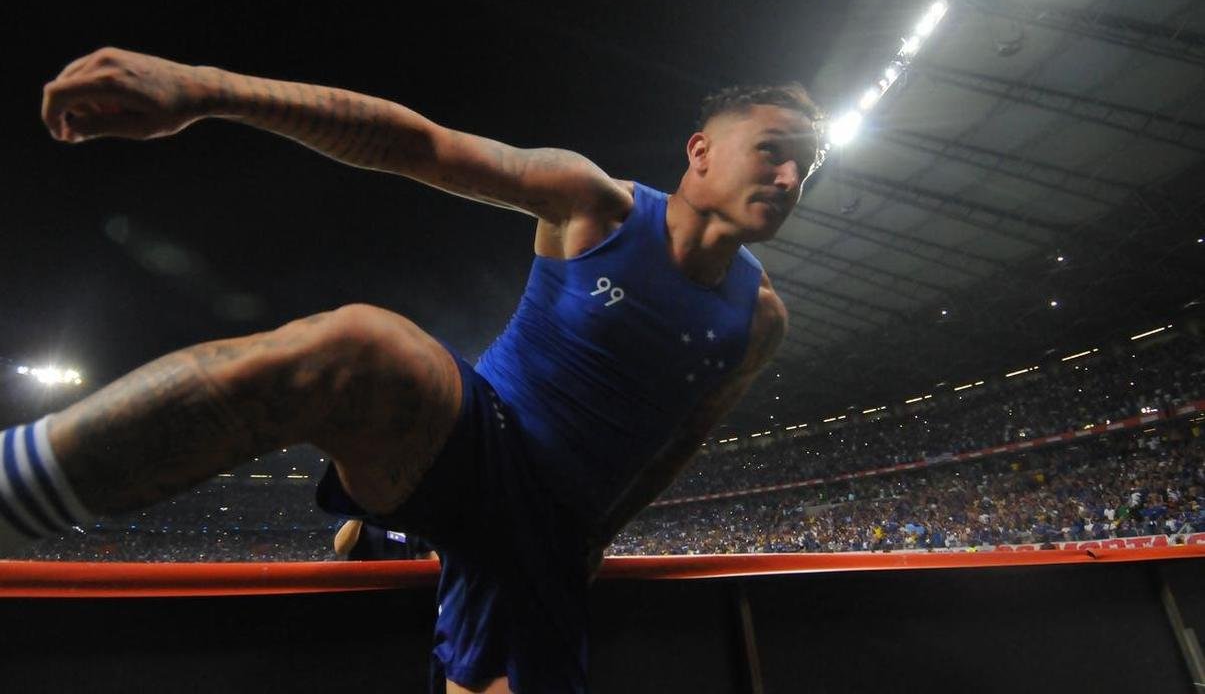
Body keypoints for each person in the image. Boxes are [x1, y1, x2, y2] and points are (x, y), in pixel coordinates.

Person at [5, 45, 823, 693]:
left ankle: (386, 542)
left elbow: (677, 446)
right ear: (701, 151)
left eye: (805, 165)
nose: (788, 178)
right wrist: (207, 88)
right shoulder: (593, 203)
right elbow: (418, 144)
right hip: (475, 442)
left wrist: (591, 541)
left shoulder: (759, 321)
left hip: (549, 532)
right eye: (773, 151)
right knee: (362, 346)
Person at [333, 518, 437, 561]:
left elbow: (429, 554)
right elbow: (340, 548)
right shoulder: (356, 518)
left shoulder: (410, 519)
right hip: (364, 588)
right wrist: (359, 514)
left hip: (402, 589)